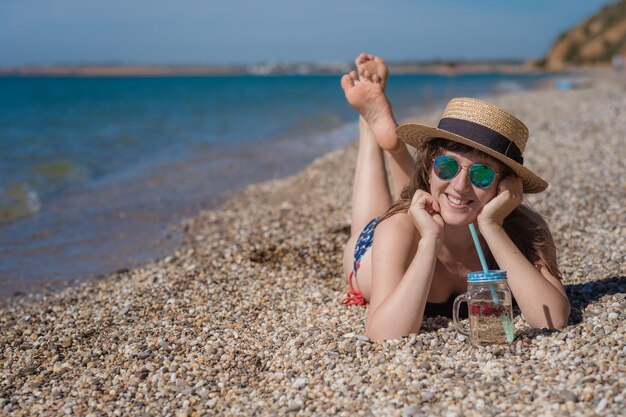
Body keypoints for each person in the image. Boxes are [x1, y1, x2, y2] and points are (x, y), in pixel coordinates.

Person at [339, 53, 571, 341]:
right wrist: (430, 242)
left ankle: (390, 142)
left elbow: (554, 317)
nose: (461, 184)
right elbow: (383, 334)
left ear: (506, 185)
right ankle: (370, 129)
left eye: (482, 174)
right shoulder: (396, 230)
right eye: (446, 166)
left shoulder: (526, 233)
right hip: (369, 253)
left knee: (441, 196)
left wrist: (493, 227)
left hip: (443, 217)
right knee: (373, 221)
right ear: (428, 167)